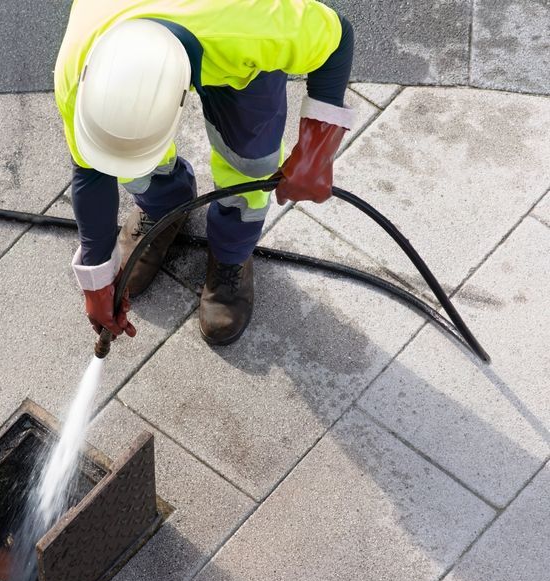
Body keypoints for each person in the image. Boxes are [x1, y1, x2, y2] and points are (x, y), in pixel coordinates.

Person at [55, 0, 355, 345]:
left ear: (181, 99)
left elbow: (338, 39)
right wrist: (96, 278)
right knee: (125, 149)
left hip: (234, 46)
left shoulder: (256, 23)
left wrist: (315, 151)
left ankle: (232, 254)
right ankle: (163, 207)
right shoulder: (78, 69)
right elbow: (91, 171)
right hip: (199, 33)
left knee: (252, 161)